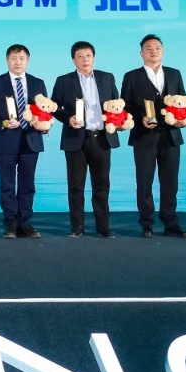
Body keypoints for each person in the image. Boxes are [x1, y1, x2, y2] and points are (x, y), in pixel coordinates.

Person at [120, 34, 186, 238]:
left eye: (157, 48)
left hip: (171, 135)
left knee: (170, 181)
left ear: (163, 51)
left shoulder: (174, 74)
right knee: (144, 181)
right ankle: (147, 224)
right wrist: (140, 117)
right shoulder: (131, 76)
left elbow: (183, 101)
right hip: (144, 136)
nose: (153, 51)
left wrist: (182, 119)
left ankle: (171, 223)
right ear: (141, 53)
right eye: (149, 48)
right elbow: (125, 105)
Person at [51, 41, 120, 238]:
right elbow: (54, 106)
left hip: (101, 138)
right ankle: (77, 227)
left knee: (102, 185)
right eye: (80, 56)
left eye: (88, 55)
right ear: (73, 60)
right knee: (75, 186)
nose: (85, 59)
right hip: (75, 138)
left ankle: (103, 227)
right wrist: (68, 118)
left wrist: (118, 121)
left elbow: (116, 105)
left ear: (94, 57)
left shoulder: (107, 78)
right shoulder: (64, 80)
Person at [0, 44, 48, 239]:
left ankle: (25, 222)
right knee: (7, 184)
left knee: (28, 184)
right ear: (7, 60)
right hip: (5, 139)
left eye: (21, 58)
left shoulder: (38, 83)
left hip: (31, 140)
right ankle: (10, 222)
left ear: (28, 60)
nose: (17, 62)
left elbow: (44, 109)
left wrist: (43, 124)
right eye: (13, 58)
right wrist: (2, 122)